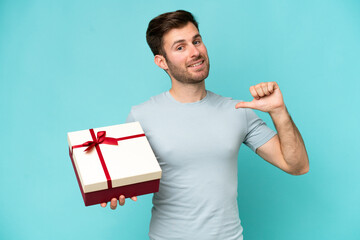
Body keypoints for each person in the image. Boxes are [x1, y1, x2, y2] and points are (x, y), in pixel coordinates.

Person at [101, 10, 309, 240]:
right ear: (162, 62)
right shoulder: (141, 116)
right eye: (180, 47)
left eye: (196, 41)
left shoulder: (238, 111)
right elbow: (117, 181)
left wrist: (279, 112)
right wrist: (112, 191)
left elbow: (297, 166)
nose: (195, 52)